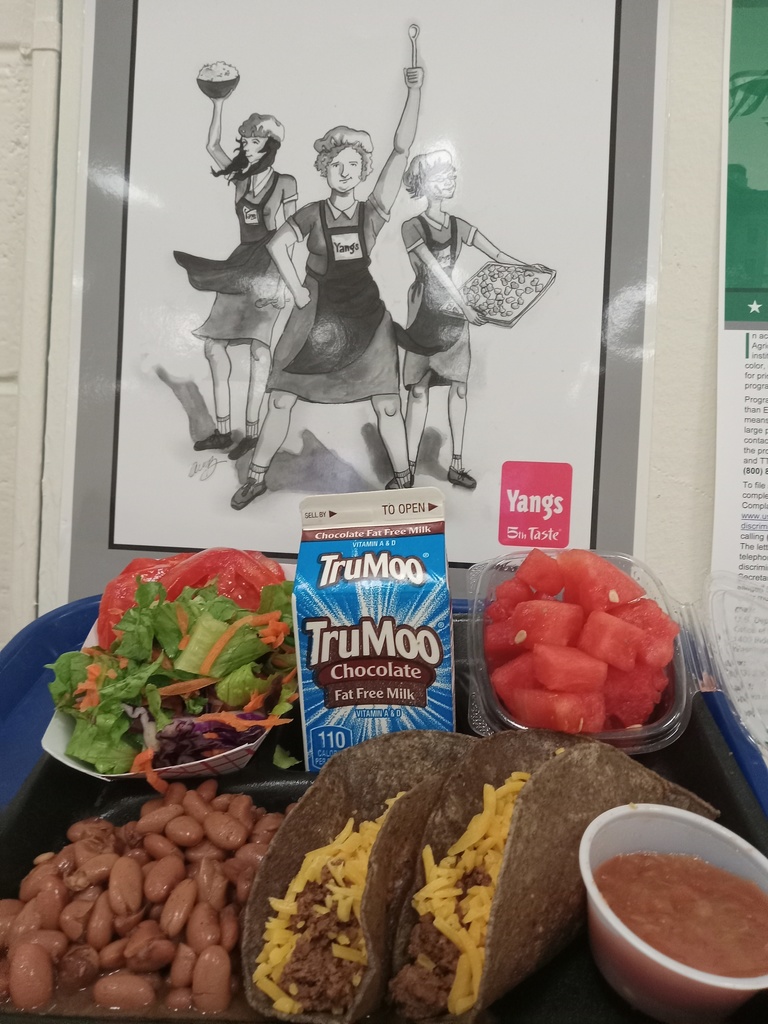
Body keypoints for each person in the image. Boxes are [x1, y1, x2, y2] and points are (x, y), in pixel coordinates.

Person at [230, 64, 424, 510]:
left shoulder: (373, 212)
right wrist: (297, 288)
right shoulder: (312, 213)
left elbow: (401, 149)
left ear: (363, 171)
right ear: (325, 169)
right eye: (336, 164)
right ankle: (256, 477)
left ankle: (405, 484)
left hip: (366, 316)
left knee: (388, 406)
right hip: (315, 314)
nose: (345, 171)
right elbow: (278, 244)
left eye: (353, 165)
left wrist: (414, 92)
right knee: (280, 400)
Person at [400, 149, 549, 489]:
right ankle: (407, 470)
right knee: (419, 390)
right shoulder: (411, 227)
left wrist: (526, 268)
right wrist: (466, 307)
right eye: (443, 176)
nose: (451, 180)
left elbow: (494, 253)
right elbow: (435, 273)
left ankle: (456, 464)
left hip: (454, 316)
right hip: (424, 313)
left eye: (452, 174)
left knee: (459, 387)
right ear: (425, 183)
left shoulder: (458, 225)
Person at [174, 96, 298, 461]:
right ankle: (224, 431)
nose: (246, 144)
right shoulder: (240, 178)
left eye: (254, 140)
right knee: (214, 347)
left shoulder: (286, 182)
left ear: (269, 146)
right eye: (245, 139)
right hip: (241, 263)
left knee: (260, 351)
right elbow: (212, 145)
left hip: (270, 267)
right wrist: (218, 102)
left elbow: (292, 236)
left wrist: (285, 283)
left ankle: (253, 433)